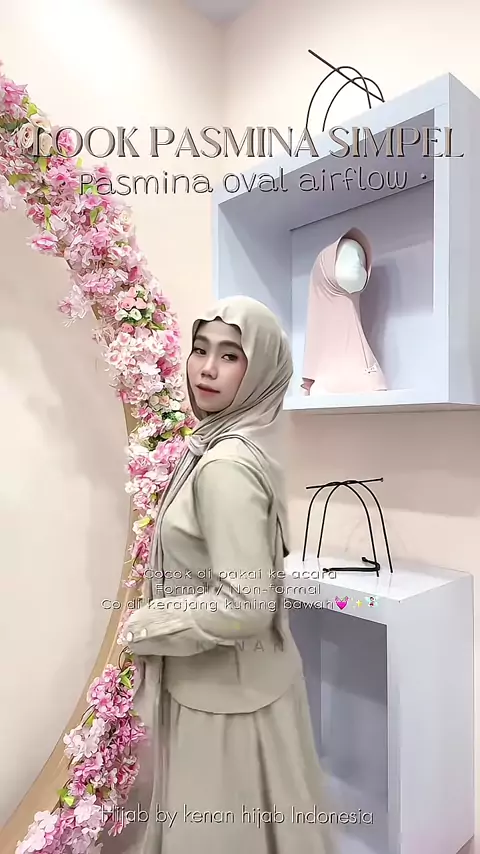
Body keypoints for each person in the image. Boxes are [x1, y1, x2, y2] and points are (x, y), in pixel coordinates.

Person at [111, 295, 331, 854]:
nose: (206, 369)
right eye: (200, 349)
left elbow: (245, 604)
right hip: (239, 688)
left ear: (258, 371)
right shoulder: (228, 444)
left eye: (230, 355)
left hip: (225, 704)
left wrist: (146, 627)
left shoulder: (224, 465)